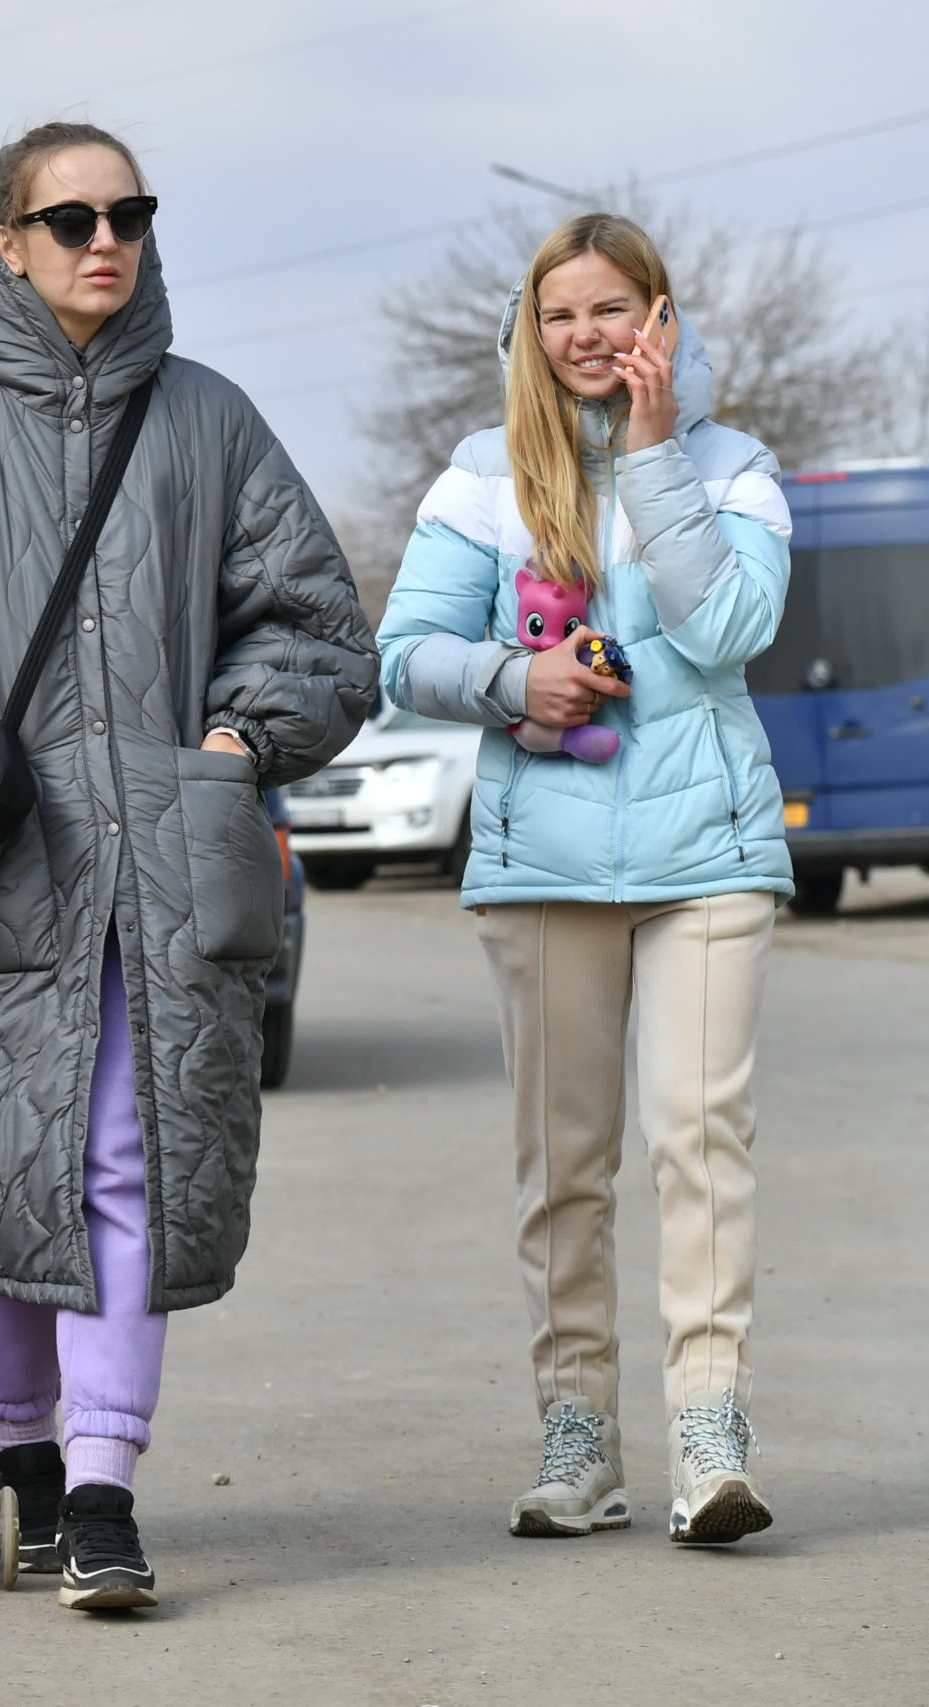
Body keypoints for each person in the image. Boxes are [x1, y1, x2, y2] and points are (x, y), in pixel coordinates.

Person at [0, 124, 373, 1608]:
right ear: (3, 240)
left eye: (129, 212)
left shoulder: (210, 419)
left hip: (167, 880)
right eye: (69, 217)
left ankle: (102, 1487)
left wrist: (236, 740)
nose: (104, 238)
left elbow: (314, 625)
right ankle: (28, 1450)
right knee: (5, 1180)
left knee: (122, 1165)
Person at [377, 212, 790, 1546]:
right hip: (542, 861)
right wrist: (514, 678)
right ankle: (578, 1431)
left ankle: (709, 1428)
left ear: (662, 317)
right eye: (561, 313)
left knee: (697, 1136)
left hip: (707, 857)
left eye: (614, 308)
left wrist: (658, 457)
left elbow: (730, 626)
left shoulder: (734, 467)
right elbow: (407, 652)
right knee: (563, 1163)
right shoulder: (480, 476)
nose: (587, 334)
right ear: (529, 329)